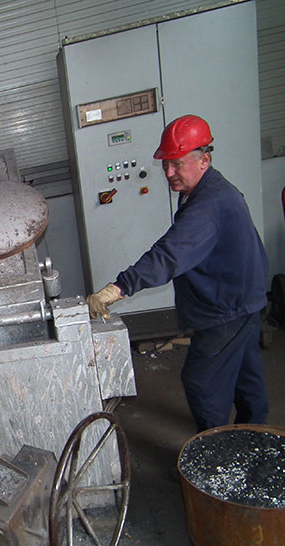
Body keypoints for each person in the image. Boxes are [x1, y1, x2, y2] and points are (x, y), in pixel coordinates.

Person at [87, 115, 269, 432]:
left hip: (227, 308)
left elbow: (170, 255)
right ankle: (255, 434)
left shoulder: (209, 204)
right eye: (166, 164)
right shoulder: (206, 189)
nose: (169, 172)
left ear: (204, 160)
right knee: (245, 373)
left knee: (202, 382)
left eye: (177, 164)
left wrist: (119, 287)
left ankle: (214, 449)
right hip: (243, 298)